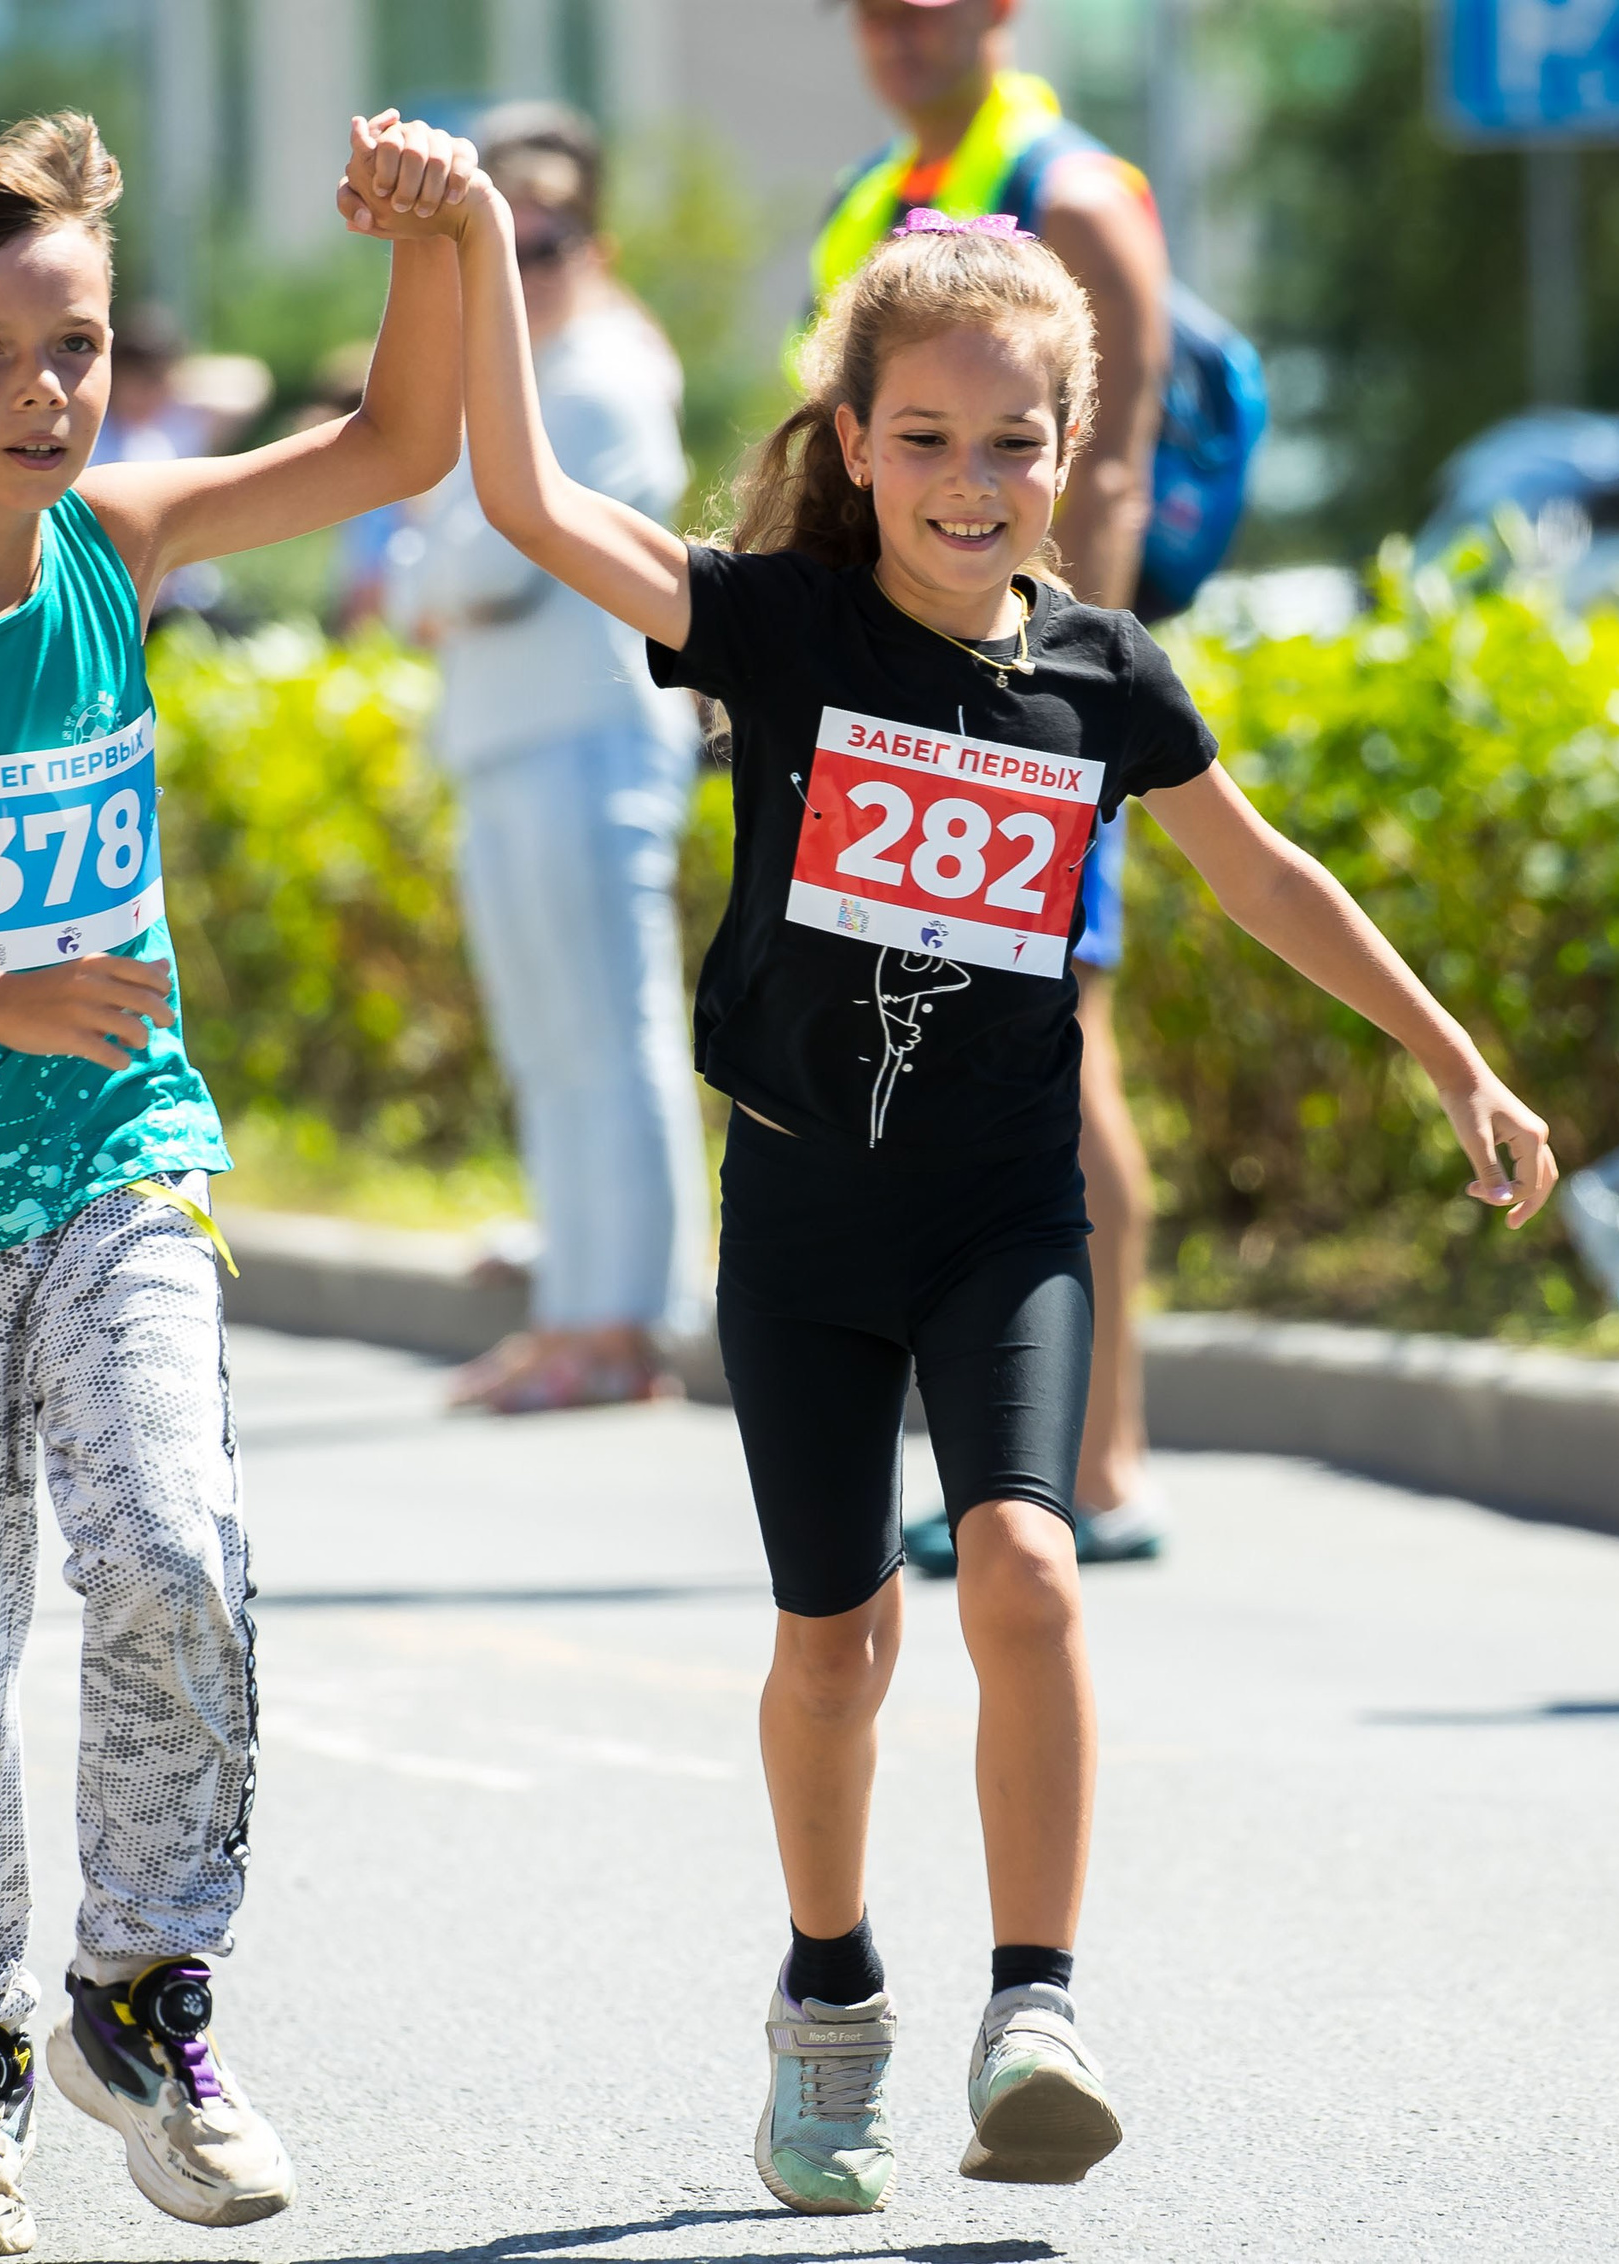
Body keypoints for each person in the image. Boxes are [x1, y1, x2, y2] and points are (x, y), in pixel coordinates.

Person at [351, 156, 1556, 2209]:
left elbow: (1255, 871)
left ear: (1067, 452)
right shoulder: (781, 621)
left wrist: (1449, 1055)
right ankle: (827, 2003)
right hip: (806, 1225)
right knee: (833, 1643)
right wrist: (471, 251)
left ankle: (1036, 2008)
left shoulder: (1100, 671)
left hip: (1003, 1217)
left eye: (1012, 443)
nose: (968, 480)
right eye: (922, 440)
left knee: (1025, 1561)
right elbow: (536, 513)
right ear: (852, 445)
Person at [0, 109, 474, 2259]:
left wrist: (439, 232)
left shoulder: (116, 545)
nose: (46, 393)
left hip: (120, 1153)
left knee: (174, 1544)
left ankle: (145, 1995)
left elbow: (398, 443)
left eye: (77, 346)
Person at [817, 0, 1176, 1566]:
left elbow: (1109, 469)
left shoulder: (1074, 189)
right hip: (896, 709)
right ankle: (1047, 1454)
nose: (899, 31)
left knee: (1062, 1051)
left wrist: (1036, 707)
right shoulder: (887, 189)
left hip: (1026, 719)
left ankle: (1098, 1463)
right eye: (873, 9)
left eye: (931, 5)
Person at [385, 102, 708, 1414]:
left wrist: (442, 570)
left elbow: (482, 560)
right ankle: (578, 1307)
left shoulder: (610, 373)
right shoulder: (510, 379)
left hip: (593, 741)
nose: (526, 263)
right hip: (513, 742)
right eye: (498, 232)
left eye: (550, 234)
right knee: (550, 1042)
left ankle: (624, 1328)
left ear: (601, 241)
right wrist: (440, 572)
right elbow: (429, 568)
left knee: (611, 1036)